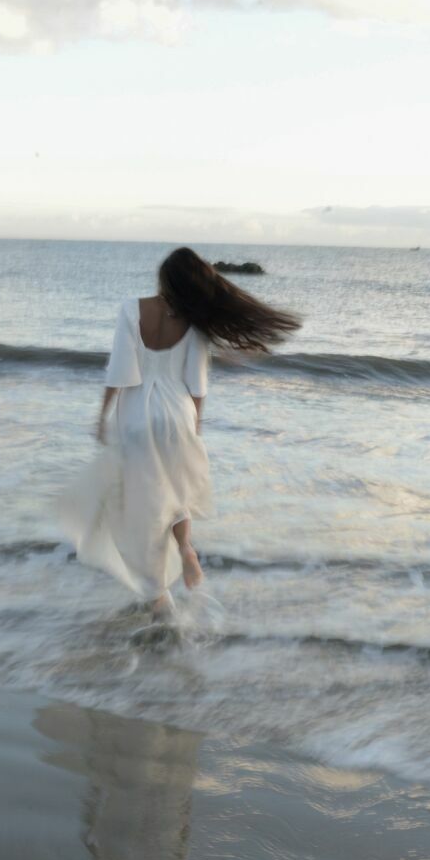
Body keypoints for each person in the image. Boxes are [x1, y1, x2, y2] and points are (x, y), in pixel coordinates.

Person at [57, 247, 300, 616]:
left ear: (164, 278)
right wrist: (194, 427)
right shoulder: (195, 321)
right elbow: (196, 382)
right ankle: (186, 548)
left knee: (145, 508)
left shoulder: (131, 309)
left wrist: (102, 413)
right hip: (177, 413)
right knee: (176, 492)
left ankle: (157, 595)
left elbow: (120, 370)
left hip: (136, 416)